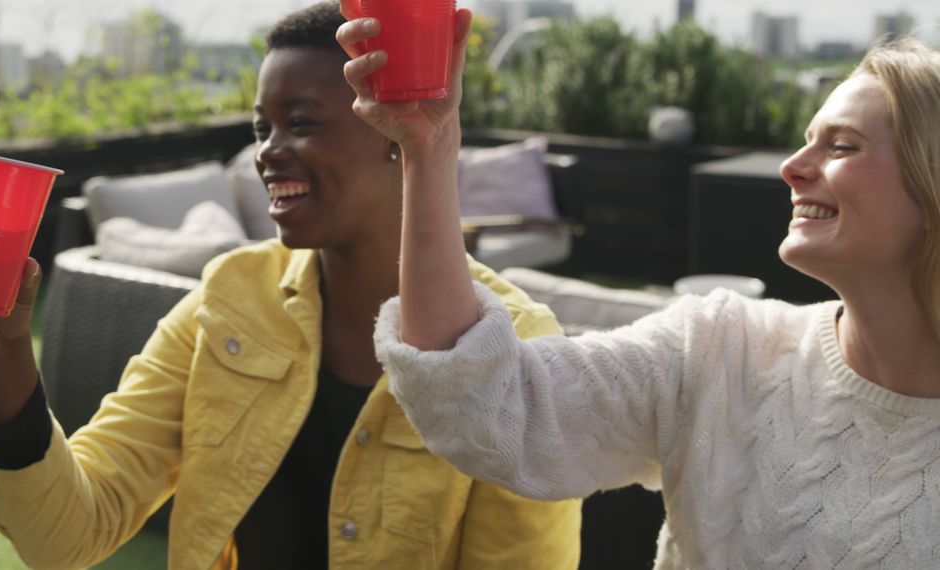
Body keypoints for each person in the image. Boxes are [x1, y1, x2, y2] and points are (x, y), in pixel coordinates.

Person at [0, 2, 581, 569]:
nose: (266, 150)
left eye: (303, 122)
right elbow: (67, 534)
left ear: (394, 132)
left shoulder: (513, 348)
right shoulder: (229, 300)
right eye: (263, 126)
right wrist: (1, 358)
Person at [340, 10, 940, 567]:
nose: (792, 165)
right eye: (807, 138)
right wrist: (430, 150)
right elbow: (479, 404)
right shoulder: (721, 350)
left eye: (841, 146)